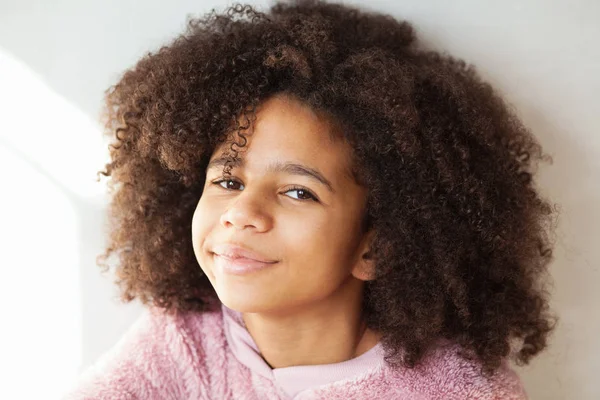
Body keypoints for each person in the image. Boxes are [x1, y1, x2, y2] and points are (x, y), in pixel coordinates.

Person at [63, 0, 559, 398]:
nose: (242, 213)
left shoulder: (458, 391)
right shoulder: (184, 337)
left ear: (377, 247)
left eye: (298, 191)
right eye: (229, 181)